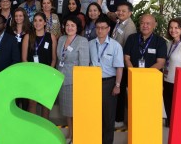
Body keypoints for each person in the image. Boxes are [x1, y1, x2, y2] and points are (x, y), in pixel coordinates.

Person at [89, 15, 124, 144]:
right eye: (98, 28)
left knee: (108, 118)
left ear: (108, 29)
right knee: (94, 116)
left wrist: (118, 85)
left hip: (109, 83)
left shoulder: (115, 46)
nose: (100, 31)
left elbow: (119, 67)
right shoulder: (90, 44)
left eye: (103, 28)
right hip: (92, 83)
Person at [57, 16, 90, 144]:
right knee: (67, 111)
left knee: (75, 111)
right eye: (67, 25)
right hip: (61, 79)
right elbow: (60, 59)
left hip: (74, 81)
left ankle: (76, 136)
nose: (69, 28)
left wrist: (81, 83)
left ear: (77, 28)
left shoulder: (82, 41)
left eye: (72, 25)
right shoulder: (61, 39)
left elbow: (84, 64)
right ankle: (70, 133)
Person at [21, 12, 57, 119]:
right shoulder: (28, 36)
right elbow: (24, 59)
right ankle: (32, 130)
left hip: (46, 76)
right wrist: (33, 75)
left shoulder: (51, 37)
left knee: (45, 103)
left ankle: (44, 129)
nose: (37, 23)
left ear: (45, 22)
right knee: (32, 102)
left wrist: (48, 74)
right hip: (32, 76)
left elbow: (54, 58)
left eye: (40, 20)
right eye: (35, 20)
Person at [111, 1, 137, 128]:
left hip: (122, 64)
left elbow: (128, 48)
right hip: (115, 63)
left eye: (123, 11)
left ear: (130, 13)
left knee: (120, 92)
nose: (120, 13)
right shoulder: (119, 22)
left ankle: (119, 119)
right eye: (118, 10)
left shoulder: (130, 26)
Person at [163, 18, 181, 127]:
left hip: (178, 84)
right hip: (166, 81)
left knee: (177, 116)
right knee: (169, 111)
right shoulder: (169, 43)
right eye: (171, 27)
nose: (173, 30)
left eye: (176, 27)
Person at [8, 7, 31, 111]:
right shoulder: (9, 31)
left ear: (24, 17)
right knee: (14, 91)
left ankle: (25, 113)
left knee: (25, 91)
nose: (18, 18)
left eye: (20, 15)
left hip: (25, 64)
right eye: (16, 16)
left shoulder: (29, 30)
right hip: (13, 64)